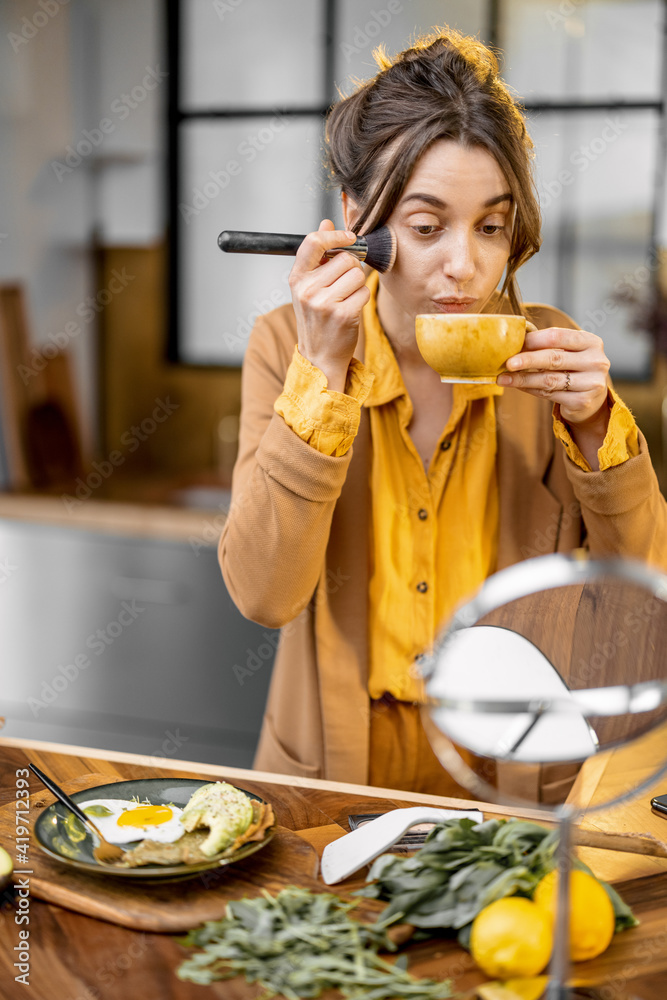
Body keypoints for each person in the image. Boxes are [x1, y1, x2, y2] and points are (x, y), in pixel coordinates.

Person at [218, 28, 667, 795]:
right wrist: (323, 372)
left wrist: (596, 433)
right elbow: (264, 595)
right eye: (426, 228)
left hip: (518, 779)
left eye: (490, 227)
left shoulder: (552, 355)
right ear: (356, 217)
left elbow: (644, 604)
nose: (464, 265)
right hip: (335, 778)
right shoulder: (287, 349)